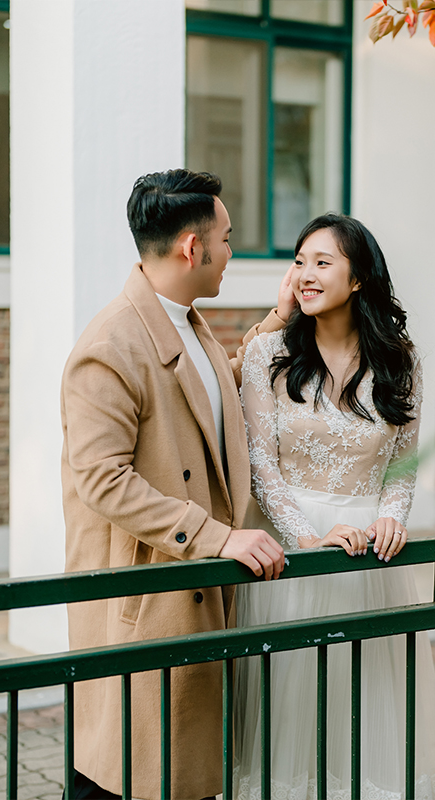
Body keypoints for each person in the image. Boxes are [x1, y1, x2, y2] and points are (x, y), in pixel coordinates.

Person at [60, 169, 292, 800]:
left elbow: (214, 388)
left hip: (191, 597)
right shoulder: (109, 346)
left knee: (180, 777)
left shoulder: (186, 321)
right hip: (145, 608)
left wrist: (279, 319)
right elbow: (102, 480)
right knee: (124, 775)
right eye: (227, 237)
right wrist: (217, 537)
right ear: (194, 247)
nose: (232, 251)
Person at [234, 214, 435, 799]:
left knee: (365, 705)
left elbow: (402, 463)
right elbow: (260, 468)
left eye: (322, 262)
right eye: (300, 261)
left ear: (359, 279)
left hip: (369, 561)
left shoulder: (400, 361)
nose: (305, 274)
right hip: (291, 554)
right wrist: (306, 540)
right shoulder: (266, 354)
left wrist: (390, 518)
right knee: (292, 707)